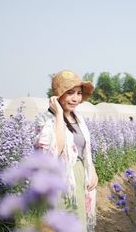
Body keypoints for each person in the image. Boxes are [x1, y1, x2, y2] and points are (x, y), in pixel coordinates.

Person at [34, 70, 98, 232]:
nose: (75, 98)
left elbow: (83, 148)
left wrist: (92, 170)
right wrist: (59, 114)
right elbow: (55, 151)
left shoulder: (78, 119)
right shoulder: (45, 119)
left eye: (78, 93)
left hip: (79, 177)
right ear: (57, 95)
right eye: (69, 93)